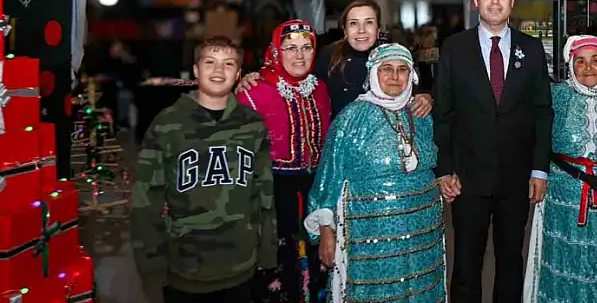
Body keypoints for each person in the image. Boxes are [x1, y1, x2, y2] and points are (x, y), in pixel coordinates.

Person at [433, 0, 553, 303]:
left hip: (516, 180)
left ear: (512, 1)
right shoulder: (454, 48)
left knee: (510, 263)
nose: (495, 1)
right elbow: (443, 113)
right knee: (466, 265)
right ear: (475, 0)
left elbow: (542, 113)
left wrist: (539, 169)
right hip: (467, 179)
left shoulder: (531, 50)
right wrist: (444, 168)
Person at [131, 37, 277, 303]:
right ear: (196, 70)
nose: (219, 71)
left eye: (228, 64)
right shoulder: (167, 124)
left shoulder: (253, 125)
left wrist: (268, 254)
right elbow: (146, 198)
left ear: (238, 74)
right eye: (210, 63)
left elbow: (264, 192)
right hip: (185, 270)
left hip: (242, 267)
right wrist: (151, 264)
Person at [304, 44, 445, 303]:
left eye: (402, 70)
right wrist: (326, 230)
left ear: (411, 75)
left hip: (422, 229)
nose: (394, 77)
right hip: (370, 234)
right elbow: (328, 176)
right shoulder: (351, 118)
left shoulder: (420, 114)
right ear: (373, 75)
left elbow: (437, 158)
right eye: (387, 69)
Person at [523, 35, 597, 303]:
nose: (588, 67)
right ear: (570, 65)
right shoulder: (555, 96)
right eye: (580, 61)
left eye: (595, 60)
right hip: (563, 199)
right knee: (564, 261)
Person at [236, 20, 331, 303]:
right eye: (290, 48)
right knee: (278, 273)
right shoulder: (252, 92)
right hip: (271, 196)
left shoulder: (320, 89)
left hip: (315, 191)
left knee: (317, 268)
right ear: (276, 52)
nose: (299, 56)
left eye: (306, 48)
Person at [237, 0, 433, 119]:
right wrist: (256, 78)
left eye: (369, 23)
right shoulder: (328, 55)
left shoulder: (392, 57)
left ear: (378, 28)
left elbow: (415, 92)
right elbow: (296, 81)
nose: (362, 30)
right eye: (354, 23)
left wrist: (426, 97)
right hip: (338, 151)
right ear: (345, 30)